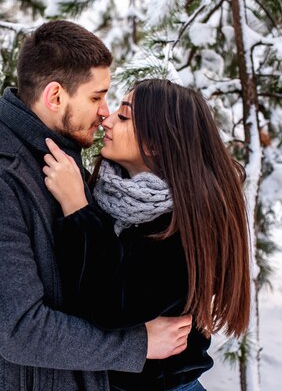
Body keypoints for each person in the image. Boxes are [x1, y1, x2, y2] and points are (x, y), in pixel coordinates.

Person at [0, 21, 193, 391]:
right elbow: (22, 329)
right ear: (55, 97)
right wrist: (138, 343)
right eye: (96, 97)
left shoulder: (64, 168)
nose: (105, 112)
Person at [42, 79, 252, 391]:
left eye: (124, 116)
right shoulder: (113, 195)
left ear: (157, 142)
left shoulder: (187, 222)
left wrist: (77, 207)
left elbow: (111, 305)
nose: (107, 117)